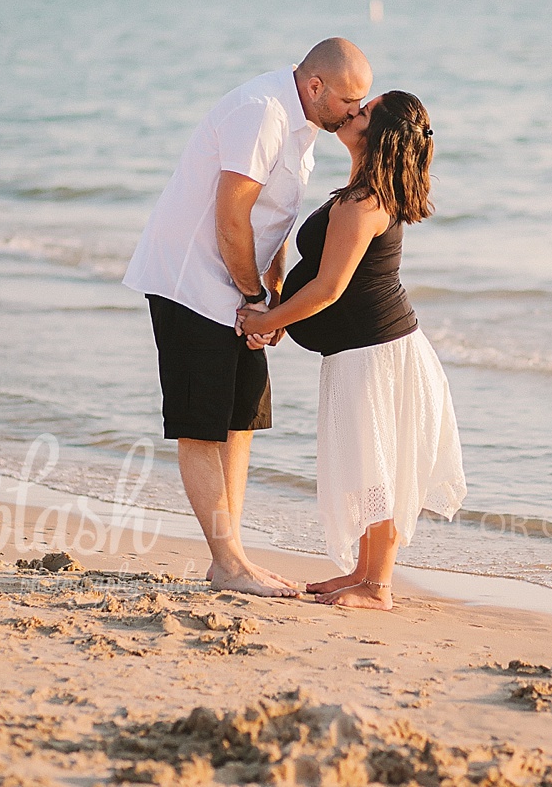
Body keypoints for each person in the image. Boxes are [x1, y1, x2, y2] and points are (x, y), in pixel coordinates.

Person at [124, 38, 372, 597]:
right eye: (351, 102)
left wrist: (274, 296)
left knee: (240, 419)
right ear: (316, 88)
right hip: (190, 283)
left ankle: (228, 558)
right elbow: (231, 210)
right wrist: (254, 296)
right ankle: (229, 563)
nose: (358, 113)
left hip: (241, 289)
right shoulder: (262, 113)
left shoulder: (305, 125)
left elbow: (274, 218)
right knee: (201, 425)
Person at [238, 91, 467, 610]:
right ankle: (362, 574)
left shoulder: (364, 203)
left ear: (378, 134)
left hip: (376, 355)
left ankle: (378, 587)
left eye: (364, 111)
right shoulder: (367, 193)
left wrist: (268, 319)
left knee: (377, 467)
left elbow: (328, 288)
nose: (352, 109)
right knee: (369, 464)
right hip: (367, 352)